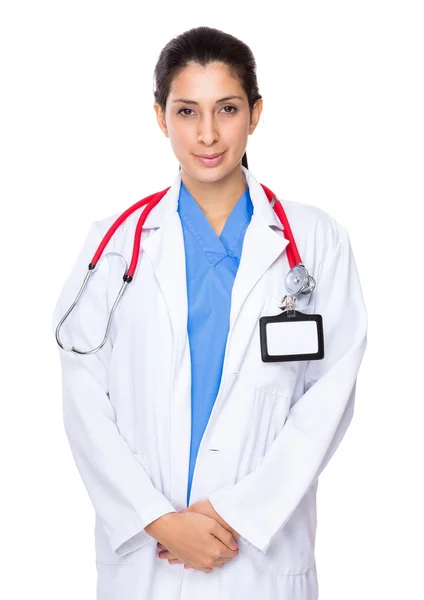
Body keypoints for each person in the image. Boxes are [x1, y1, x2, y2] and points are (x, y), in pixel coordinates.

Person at [51, 25, 368, 600]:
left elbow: (330, 397)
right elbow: (83, 402)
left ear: (255, 113)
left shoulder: (315, 240)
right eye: (186, 111)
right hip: (149, 559)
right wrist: (156, 518)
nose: (207, 134)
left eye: (226, 108)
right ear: (159, 116)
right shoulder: (116, 245)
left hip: (261, 558)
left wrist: (239, 513)